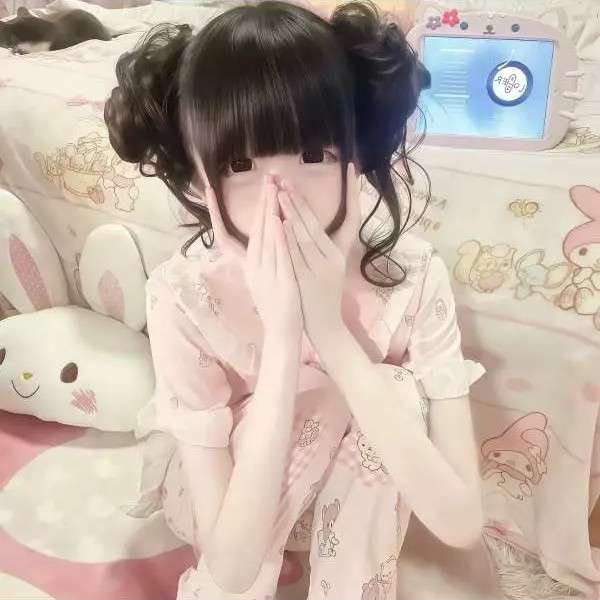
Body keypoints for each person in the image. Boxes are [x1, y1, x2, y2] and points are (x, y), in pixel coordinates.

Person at [104, 1, 486, 598]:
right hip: (233, 508)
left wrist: (329, 332)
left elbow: (461, 523)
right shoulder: (184, 295)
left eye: (313, 155)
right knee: (321, 391)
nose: (280, 190)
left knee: (392, 388)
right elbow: (229, 569)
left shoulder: (411, 276)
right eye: (239, 163)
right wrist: (284, 339)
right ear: (200, 179)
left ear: (354, 158)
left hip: (351, 491)